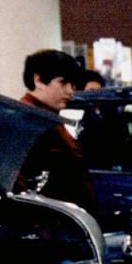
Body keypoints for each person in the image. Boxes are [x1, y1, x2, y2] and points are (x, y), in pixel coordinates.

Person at [14, 49, 95, 210]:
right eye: (63, 83)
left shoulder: (44, 117)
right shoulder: (27, 120)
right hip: (50, 221)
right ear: (38, 80)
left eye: (72, 84)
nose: (70, 91)